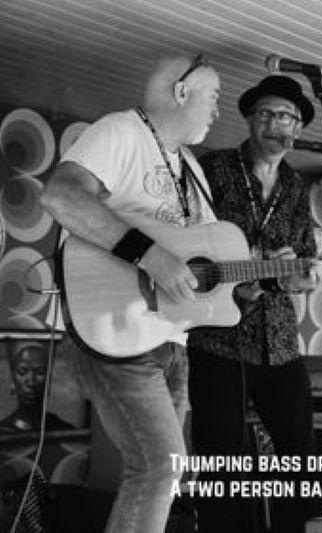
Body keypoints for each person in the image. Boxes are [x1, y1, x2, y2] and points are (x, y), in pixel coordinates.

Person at [40, 55, 220, 532]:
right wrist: (152, 257)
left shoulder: (194, 172)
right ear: (181, 92)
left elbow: (205, 264)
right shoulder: (121, 131)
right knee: (160, 466)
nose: (217, 113)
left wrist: (273, 274)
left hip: (170, 339)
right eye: (214, 98)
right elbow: (60, 196)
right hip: (115, 330)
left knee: (163, 470)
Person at [187, 75, 322, 533]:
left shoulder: (294, 185)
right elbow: (183, 233)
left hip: (279, 340)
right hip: (217, 337)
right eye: (267, 114)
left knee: (302, 459)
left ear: (297, 127)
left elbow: (299, 255)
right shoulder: (212, 167)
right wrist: (240, 273)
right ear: (250, 120)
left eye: (287, 116)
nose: (277, 124)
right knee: (221, 463)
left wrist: (304, 278)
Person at [0, 341, 73, 433]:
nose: (31, 382)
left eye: (39, 372)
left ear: (48, 380)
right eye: (22, 372)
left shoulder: (64, 430)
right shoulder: (3, 432)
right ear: (12, 380)